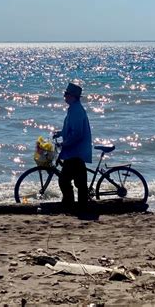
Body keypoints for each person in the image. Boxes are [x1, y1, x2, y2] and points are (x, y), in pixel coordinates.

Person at [53, 82, 92, 213]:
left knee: (64, 180)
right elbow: (70, 130)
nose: (64, 96)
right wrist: (60, 133)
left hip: (76, 152)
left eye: (66, 94)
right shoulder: (73, 108)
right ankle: (77, 205)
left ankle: (70, 205)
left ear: (73, 97)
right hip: (74, 151)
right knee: (79, 182)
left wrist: (64, 143)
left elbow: (77, 134)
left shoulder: (76, 110)